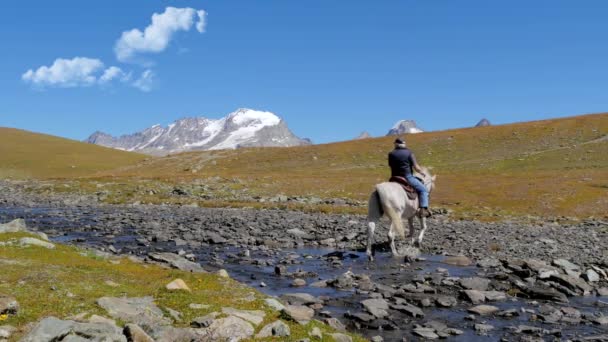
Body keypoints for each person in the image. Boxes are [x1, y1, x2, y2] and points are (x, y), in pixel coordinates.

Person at [388, 138, 431, 217]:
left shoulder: (391, 154)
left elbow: (391, 165)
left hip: (394, 178)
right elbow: (416, 167)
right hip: (407, 177)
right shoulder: (409, 153)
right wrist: (421, 172)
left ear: (396, 144)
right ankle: (423, 210)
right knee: (423, 190)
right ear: (404, 144)